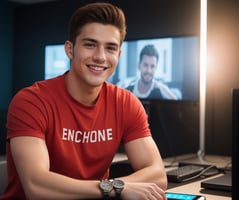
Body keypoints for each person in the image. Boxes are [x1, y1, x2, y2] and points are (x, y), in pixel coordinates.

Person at [1, 2, 167, 200]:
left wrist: (114, 186)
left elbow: (158, 175)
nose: (100, 57)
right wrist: (116, 189)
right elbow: (37, 187)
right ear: (70, 50)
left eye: (111, 48)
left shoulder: (127, 103)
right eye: (90, 45)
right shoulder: (31, 101)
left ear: (119, 55)